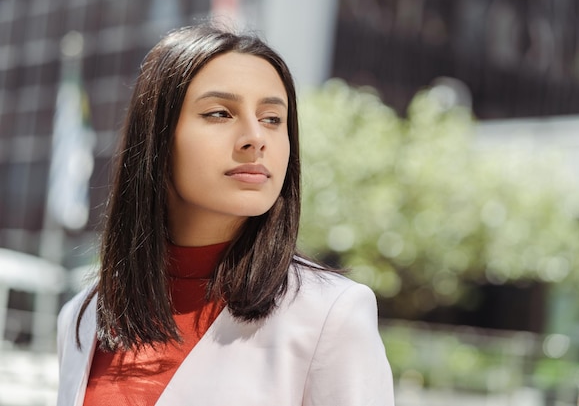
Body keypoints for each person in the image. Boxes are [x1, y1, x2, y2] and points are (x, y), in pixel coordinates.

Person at [56, 22, 394, 406]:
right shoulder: (83, 318)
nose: (256, 137)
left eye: (272, 118)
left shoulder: (330, 315)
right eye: (220, 113)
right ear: (157, 139)